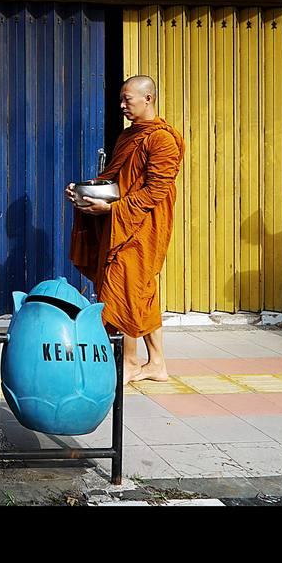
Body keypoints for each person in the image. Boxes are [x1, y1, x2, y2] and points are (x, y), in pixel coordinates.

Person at [67, 76, 184, 384]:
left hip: (143, 226)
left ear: (148, 99)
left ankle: (130, 362)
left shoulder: (163, 139)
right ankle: (157, 364)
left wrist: (113, 210)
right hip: (122, 223)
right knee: (141, 292)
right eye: (121, 99)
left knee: (124, 288)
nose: (122, 105)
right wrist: (86, 190)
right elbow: (114, 178)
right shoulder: (128, 136)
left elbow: (155, 191)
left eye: (127, 99)